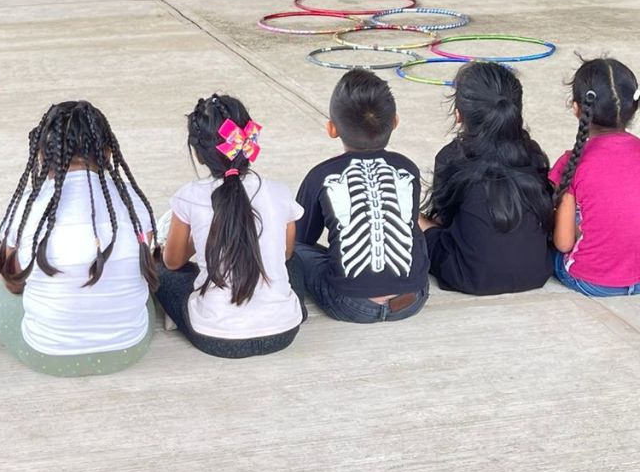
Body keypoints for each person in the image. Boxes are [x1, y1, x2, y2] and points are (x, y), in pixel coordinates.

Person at [0, 101, 157, 376]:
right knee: (140, 282)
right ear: (108, 152)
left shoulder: (28, 209)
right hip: (129, 349)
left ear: (42, 156)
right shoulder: (134, 203)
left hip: (47, 354)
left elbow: (12, 285)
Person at [158, 94, 305, 358]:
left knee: (161, 271)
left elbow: (173, 262)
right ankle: (282, 304)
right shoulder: (278, 192)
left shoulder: (189, 195)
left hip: (217, 337)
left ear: (198, 154)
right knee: (294, 261)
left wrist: (201, 238)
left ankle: (180, 312)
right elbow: (286, 252)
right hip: (284, 332)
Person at [289, 69, 429, 323]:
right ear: (395, 121)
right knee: (413, 231)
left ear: (332, 129)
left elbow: (300, 238)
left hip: (349, 303)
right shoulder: (407, 168)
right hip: (413, 298)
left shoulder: (321, 175)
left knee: (293, 247)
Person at [419, 62, 552, 295]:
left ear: (459, 115)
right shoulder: (532, 154)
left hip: (470, 277)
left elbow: (444, 220)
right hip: (536, 272)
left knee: (408, 214)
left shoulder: (451, 157)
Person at [549, 57, 640, 297]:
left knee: (544, 249)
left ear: (578, 109)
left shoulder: (572, 161)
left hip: (591, 280)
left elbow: (563, 243)